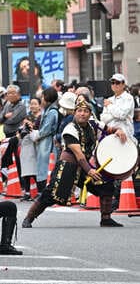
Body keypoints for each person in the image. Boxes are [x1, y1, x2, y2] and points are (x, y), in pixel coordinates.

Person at [22, 96, 129, 228]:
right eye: (79, 111)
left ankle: (106, 218)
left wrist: (118, 130)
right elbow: (78, 154)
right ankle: (29, 218)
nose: (82, 113)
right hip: (68, 166)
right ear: (74, 112)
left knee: (105, 185)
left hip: (84, 166)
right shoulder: (70, 129)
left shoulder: (94, 124)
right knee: (51, 194)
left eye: (85, 111)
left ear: (90, 114)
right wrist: (89, 170)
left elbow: (109, 129)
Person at [30, 87, 59, 193]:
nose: (41, 99)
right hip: (45, 142)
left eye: (42, 97)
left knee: (45, 166)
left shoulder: (52, 112)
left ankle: (45, 191)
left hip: (48, 143)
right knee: (43, 165)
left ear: (47, 98)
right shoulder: (48, 110)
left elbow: (46, 129)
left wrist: (37, 134)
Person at [100, 73, 135, 140]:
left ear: (123, 84)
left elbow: (121, 115)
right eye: (112, 83)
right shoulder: (109, 99)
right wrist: (116, 114)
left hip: (125, 135)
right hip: (110, 134)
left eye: (117, 83)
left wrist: (110, 106)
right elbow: (103, 118)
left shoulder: (128, 98)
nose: (114, 85)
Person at [19, 96, 41, 200]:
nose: (33, 106)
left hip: (36, 146)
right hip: (26, 146)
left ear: (40, 105)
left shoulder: (41, 117)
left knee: (35, 171)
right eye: (31, 104)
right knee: (26, 171)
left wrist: (32, 127)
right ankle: (27, 192)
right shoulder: (27, 117)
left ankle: (38, 192)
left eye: (35, 103)